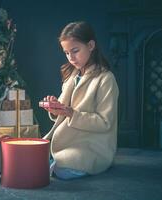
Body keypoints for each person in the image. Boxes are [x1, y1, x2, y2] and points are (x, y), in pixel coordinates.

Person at [42, 21, 119, 180]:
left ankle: (58, 164)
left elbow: (105, 122)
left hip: (92, 145)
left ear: (90, 45)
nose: (71, 57)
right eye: (67, 53)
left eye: (75, 51)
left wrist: (72, 114)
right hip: (70, 141)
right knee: (46, 162)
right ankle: (55, 163)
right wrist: (55, 108)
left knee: (60, 169)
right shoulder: (71, 77)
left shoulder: (106, 79)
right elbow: (63, 113)